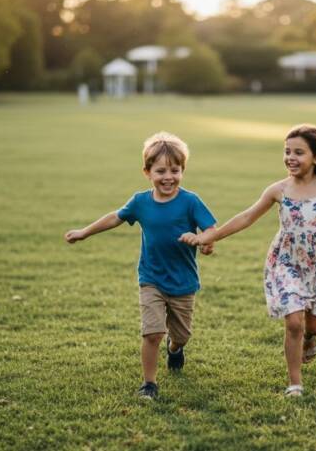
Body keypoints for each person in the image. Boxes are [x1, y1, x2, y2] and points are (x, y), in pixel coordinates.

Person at [179, 124, 316, 397]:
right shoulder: (278, 190)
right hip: (286, 261)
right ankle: (295, 383)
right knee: (294, 322)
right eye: (287, 152)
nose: (290, 157)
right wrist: (210, 236)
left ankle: (311, 340)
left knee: (313, 326)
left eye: (298, 152)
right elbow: (246, 217)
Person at [65, 132, 216, 400]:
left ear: (183, 171)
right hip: (151, 278)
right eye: (160, 171)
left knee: (181, 335)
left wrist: (205, 241)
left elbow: (210, 230)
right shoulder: (140, 202)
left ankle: (175, 348)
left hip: (183, 282)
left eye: (175, 170)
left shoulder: (190, 201)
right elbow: (115, 218)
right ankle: (149, 384)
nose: (168, 176)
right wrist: (84, 232)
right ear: (147, 172)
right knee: (152, 332)